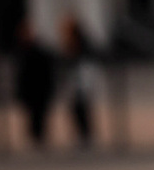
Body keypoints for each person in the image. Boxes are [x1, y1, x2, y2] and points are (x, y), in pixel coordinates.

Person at [10, 20, 57, 150]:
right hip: (30, 88)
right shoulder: (21, 51)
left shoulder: (37, 51)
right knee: (33, 114)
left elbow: (47, 70)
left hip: (40, 87)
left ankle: (39, 136)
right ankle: (36, 136)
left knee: (39, 114)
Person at [58, 14, 101, 149]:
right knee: (78, 108)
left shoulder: (80, 43)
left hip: (81, 77)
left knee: (81, 107)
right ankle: (83, 134)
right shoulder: (75, 43)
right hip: (78, 77)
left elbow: (81, 62)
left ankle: (85, 135)